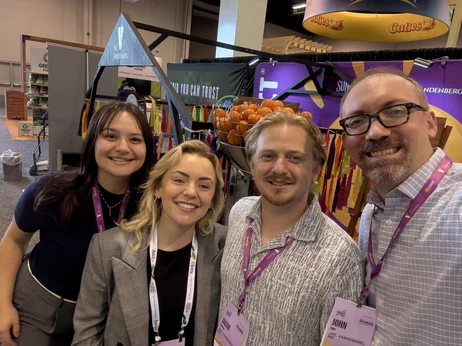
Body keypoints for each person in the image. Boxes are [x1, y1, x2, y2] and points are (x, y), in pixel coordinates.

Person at [0, 101, 155, 346]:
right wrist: (2, 305)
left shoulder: (150, 205)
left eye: (135, 139)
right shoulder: (52, 189)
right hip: (36, 307)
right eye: (110, 136)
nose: (123, 147)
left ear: (148, 147)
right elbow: (13, 241)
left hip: (99, 319)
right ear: (93, 140)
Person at [339, 67, 462, 345]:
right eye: (357, 120)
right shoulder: (373, 212)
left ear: (430, 123)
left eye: (394, 111)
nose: (375, 132)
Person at [219, 111, 364, 346]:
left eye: (295, 158)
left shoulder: (342, 258)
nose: (279, 168)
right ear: (252, 164)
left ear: (316, 169)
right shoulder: (238, 214)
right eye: (268, 156)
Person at [72, 140, 226, 346]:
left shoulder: (224, 245)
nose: (191, 192)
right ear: (157, 188)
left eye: (204, 185)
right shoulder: (108, 247)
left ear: (212, 198)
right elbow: (86, 332)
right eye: (179, 180)